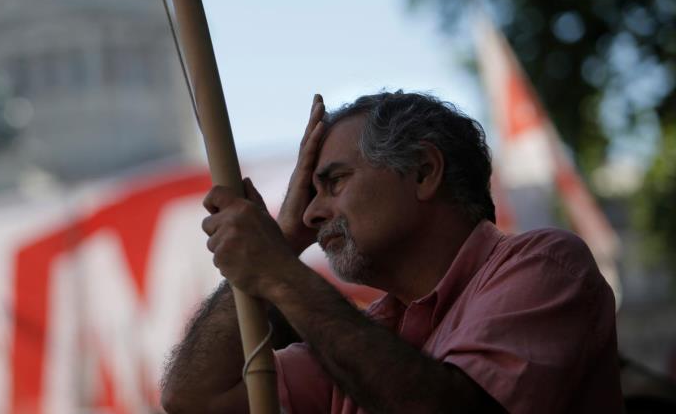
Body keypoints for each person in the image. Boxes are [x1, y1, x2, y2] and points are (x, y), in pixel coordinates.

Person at [160, 91, 622, 413]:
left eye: (333, 183)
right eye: (310, 194)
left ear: (423, 171)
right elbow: (193, 399)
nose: (311, 215)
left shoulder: (545, 264)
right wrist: (282, 242)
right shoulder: (365, 333)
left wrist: (279, 271)